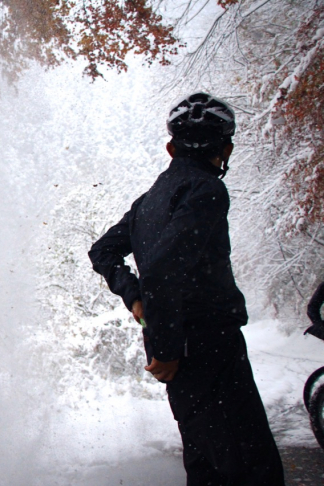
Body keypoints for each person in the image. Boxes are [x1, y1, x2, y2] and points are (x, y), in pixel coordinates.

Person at [88, 93, 285, 485]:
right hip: (208, 350)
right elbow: (162, 270)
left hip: (187, 356)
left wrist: (134, 296)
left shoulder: (150, 200)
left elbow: (103, 251)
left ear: (171, 147)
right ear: (226, 148)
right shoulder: (206, 190)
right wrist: (166, 349)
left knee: (208, 466)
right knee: (250, 470)